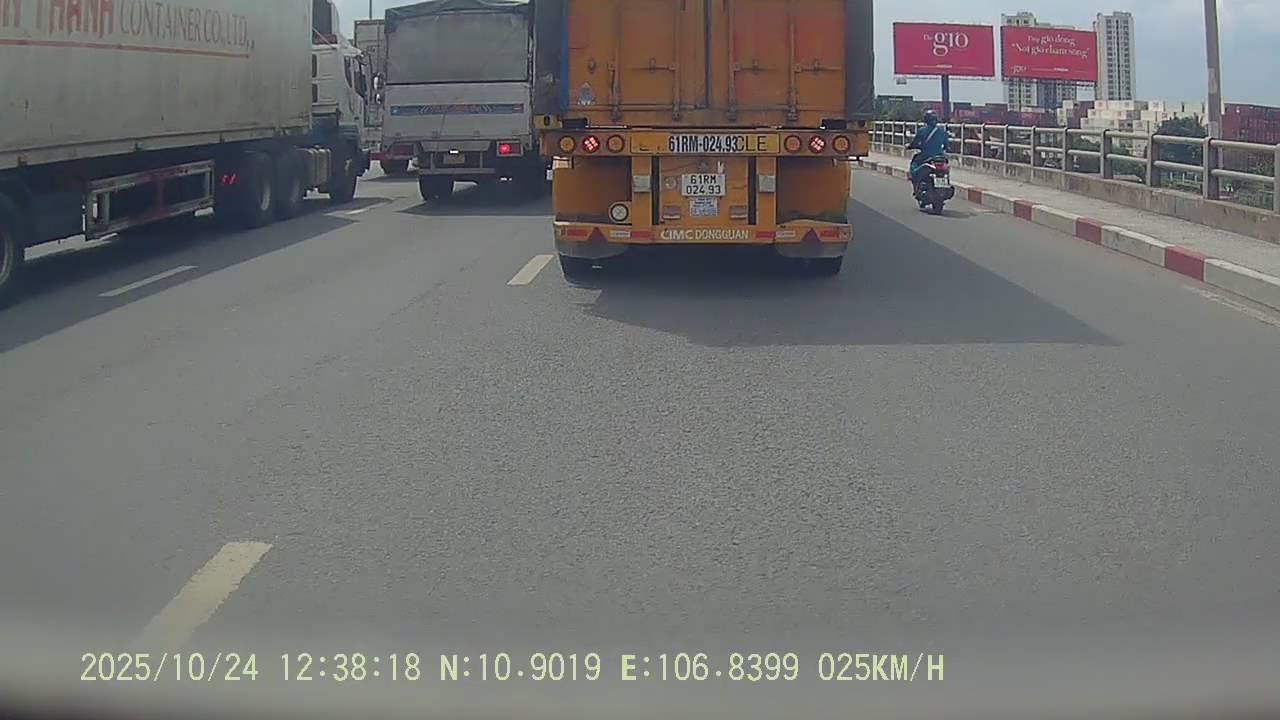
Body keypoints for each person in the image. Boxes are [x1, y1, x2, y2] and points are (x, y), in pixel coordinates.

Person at [907, 110, 950, 186]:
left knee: (914, 164)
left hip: (925, 157)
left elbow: (914, 143)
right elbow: (947, 146)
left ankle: (914, 179)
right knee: (946, 167)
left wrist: (909, 146)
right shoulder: (943, 132)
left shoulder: (922, 131)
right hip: (940, 157)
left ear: (926, 120)